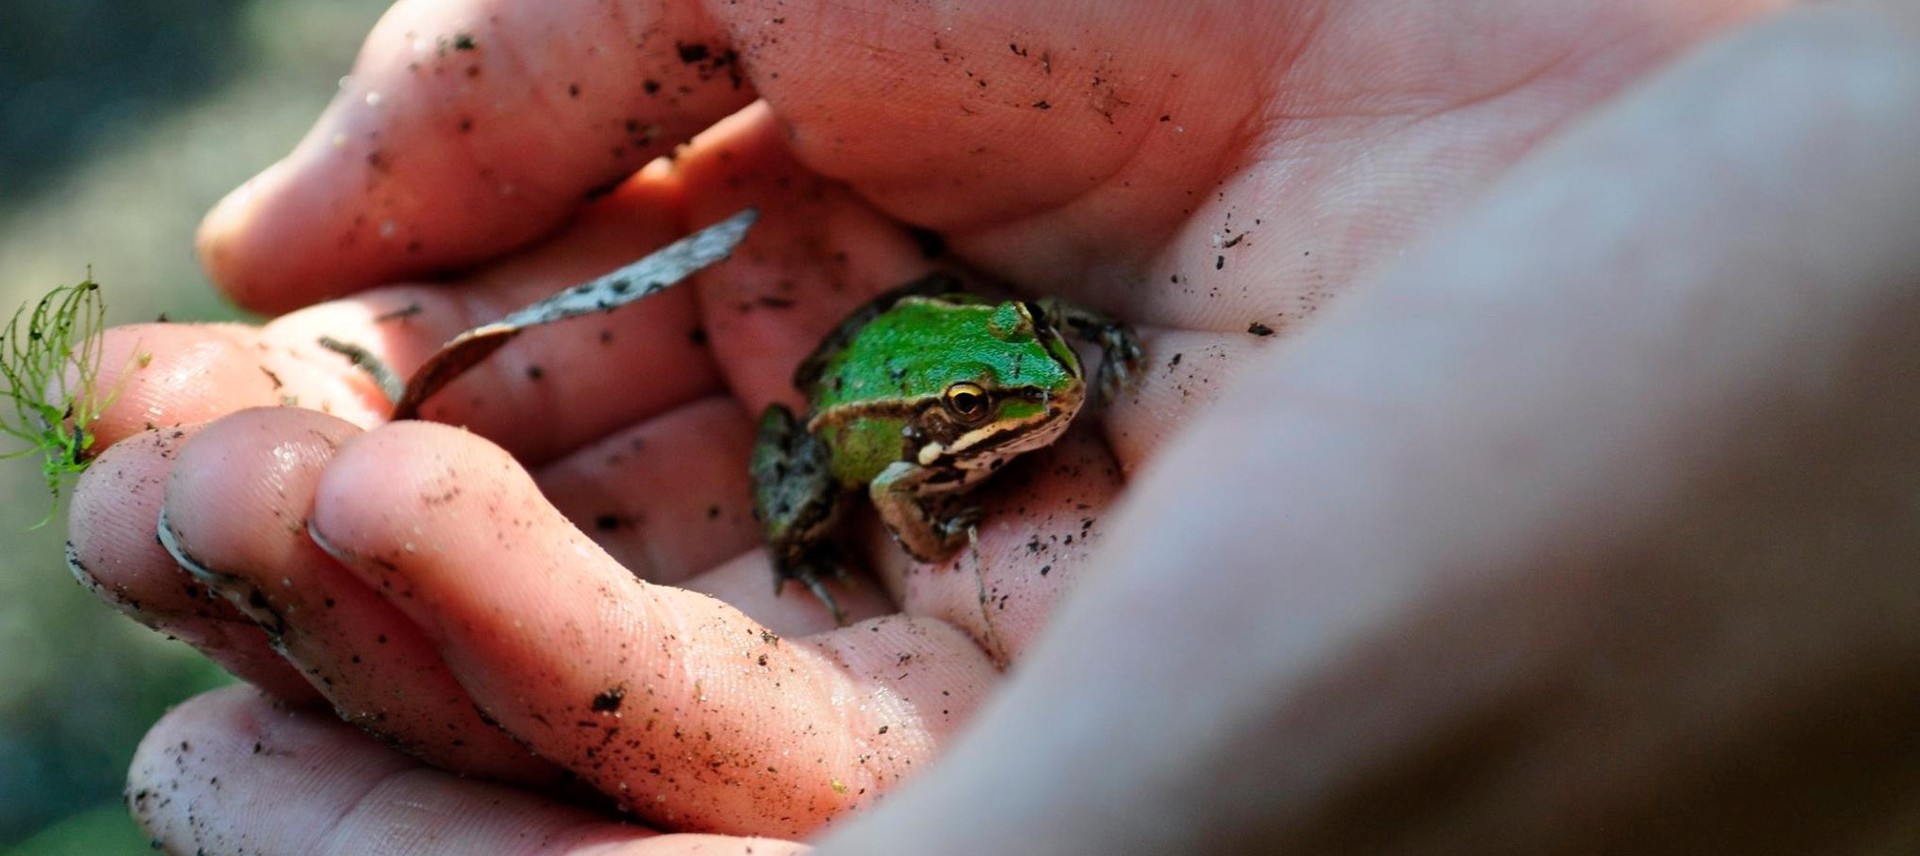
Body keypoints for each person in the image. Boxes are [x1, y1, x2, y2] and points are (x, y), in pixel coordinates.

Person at [65, 0, 1920, 851]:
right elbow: (912, 479)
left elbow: (1025, 369)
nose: (1036, 402)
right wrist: (901, 502)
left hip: (939, 319)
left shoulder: (1028, 360)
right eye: (999, 404)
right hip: (848, 396)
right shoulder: (922, 442)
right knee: (792, 469)